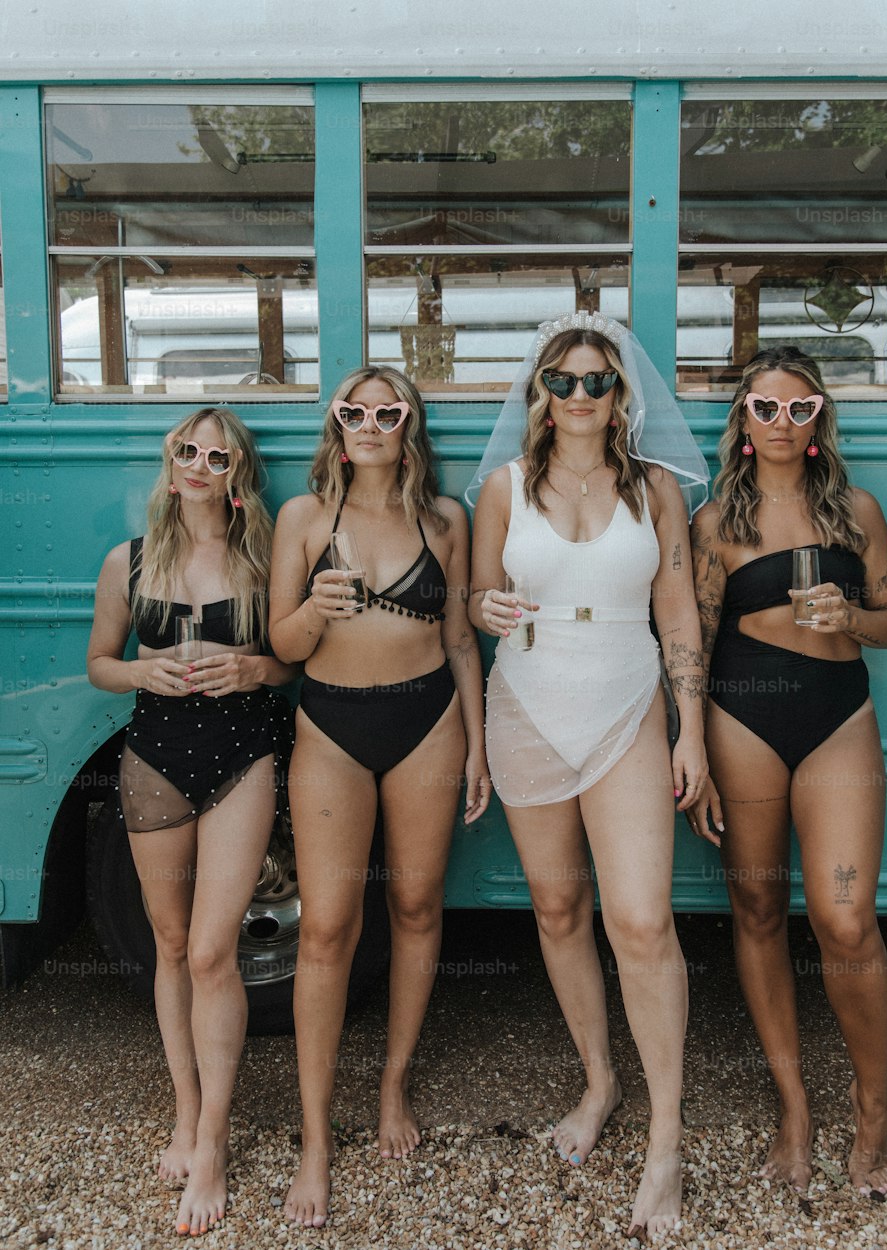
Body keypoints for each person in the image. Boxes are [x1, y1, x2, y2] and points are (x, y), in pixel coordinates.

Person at [467, 310, 713, 1237]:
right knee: (559, 910)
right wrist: (485, 606)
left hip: (626, 701)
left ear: (622, 396)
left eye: (595, 381)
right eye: (560, 381)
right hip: (525, 704)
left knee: (642, 922)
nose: (577, 395)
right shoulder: (502, 487)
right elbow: (473, 598)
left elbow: (680, 612)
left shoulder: (655, 489)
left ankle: (665, 1140)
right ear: (540, 392)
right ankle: (600, 1081)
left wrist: (690, 731)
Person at [271, 366, 491, 1228]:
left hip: (428, 721)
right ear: (337, 423)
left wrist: (475, 744)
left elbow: (462, 635)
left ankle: (393, 1084)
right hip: (330, 728)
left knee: (416, 906)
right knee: (326, 926)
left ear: (410, 424)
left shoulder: (444, 520)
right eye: (351, 411)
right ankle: (316, 1139)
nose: (368, 423)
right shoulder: (303, 518)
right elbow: (282, 647)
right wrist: (314, 610)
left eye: (386, 411)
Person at [690, 344, 887, 1195]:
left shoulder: (857, 510)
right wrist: (693, 752)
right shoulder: (713, 525)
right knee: (756, 906)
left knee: (846, 918)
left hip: (836, 720)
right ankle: (794, 1112)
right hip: (741, 720)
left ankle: (873, 1118)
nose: (782, 423)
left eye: (800, 408)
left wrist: (851, 613)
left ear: (820, 422)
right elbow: (695, 646)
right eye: (766, 408)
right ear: (743, 423)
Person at [87, 407, 295, 1237]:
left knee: (214, 951)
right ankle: (186, 1106)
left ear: (237, 471)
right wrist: (143, 669)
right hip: (155, 765)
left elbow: (295, 661)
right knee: (170, 947)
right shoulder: (130, 562)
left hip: (243, 759)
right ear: (171, 463)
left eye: (218, 454)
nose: (200, 464)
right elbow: (99, 664)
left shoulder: (264, 558)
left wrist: (253, 667)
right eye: (188, 451)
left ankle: (212, 1144)